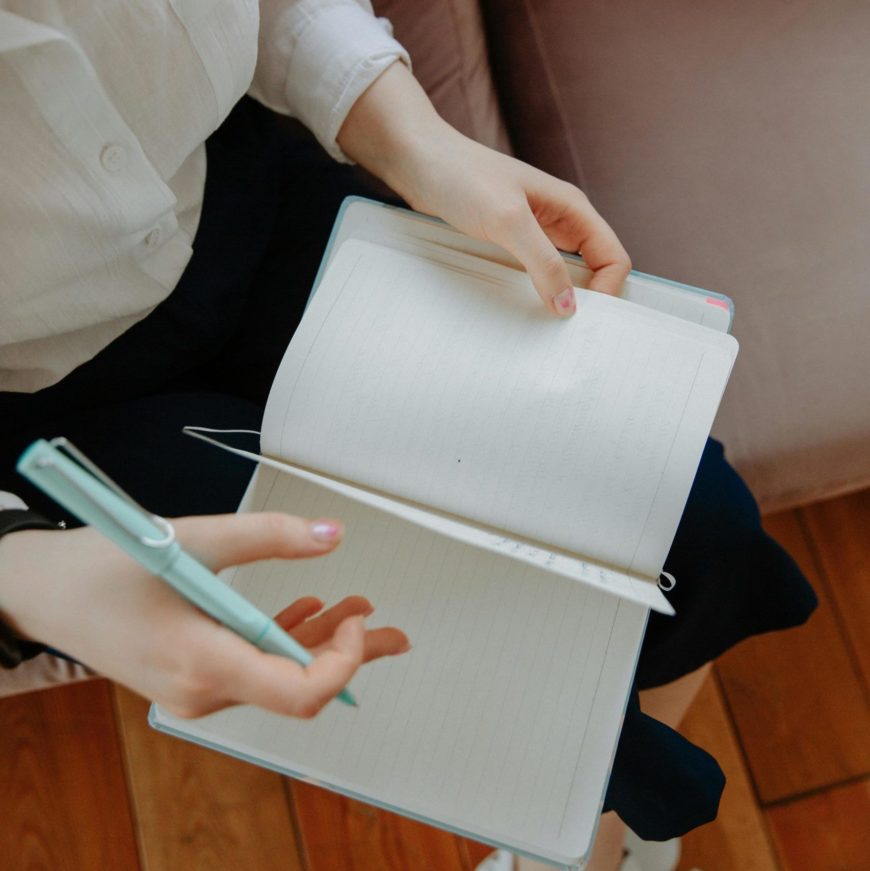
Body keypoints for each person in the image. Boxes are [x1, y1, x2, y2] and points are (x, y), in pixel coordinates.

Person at [0, 3, 815, 870]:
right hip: (54, 399)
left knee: (696, 521)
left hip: (260, 202)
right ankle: (585, 835)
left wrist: (417, 141)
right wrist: (18, 574)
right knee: (476, 665)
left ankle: (602, 836)